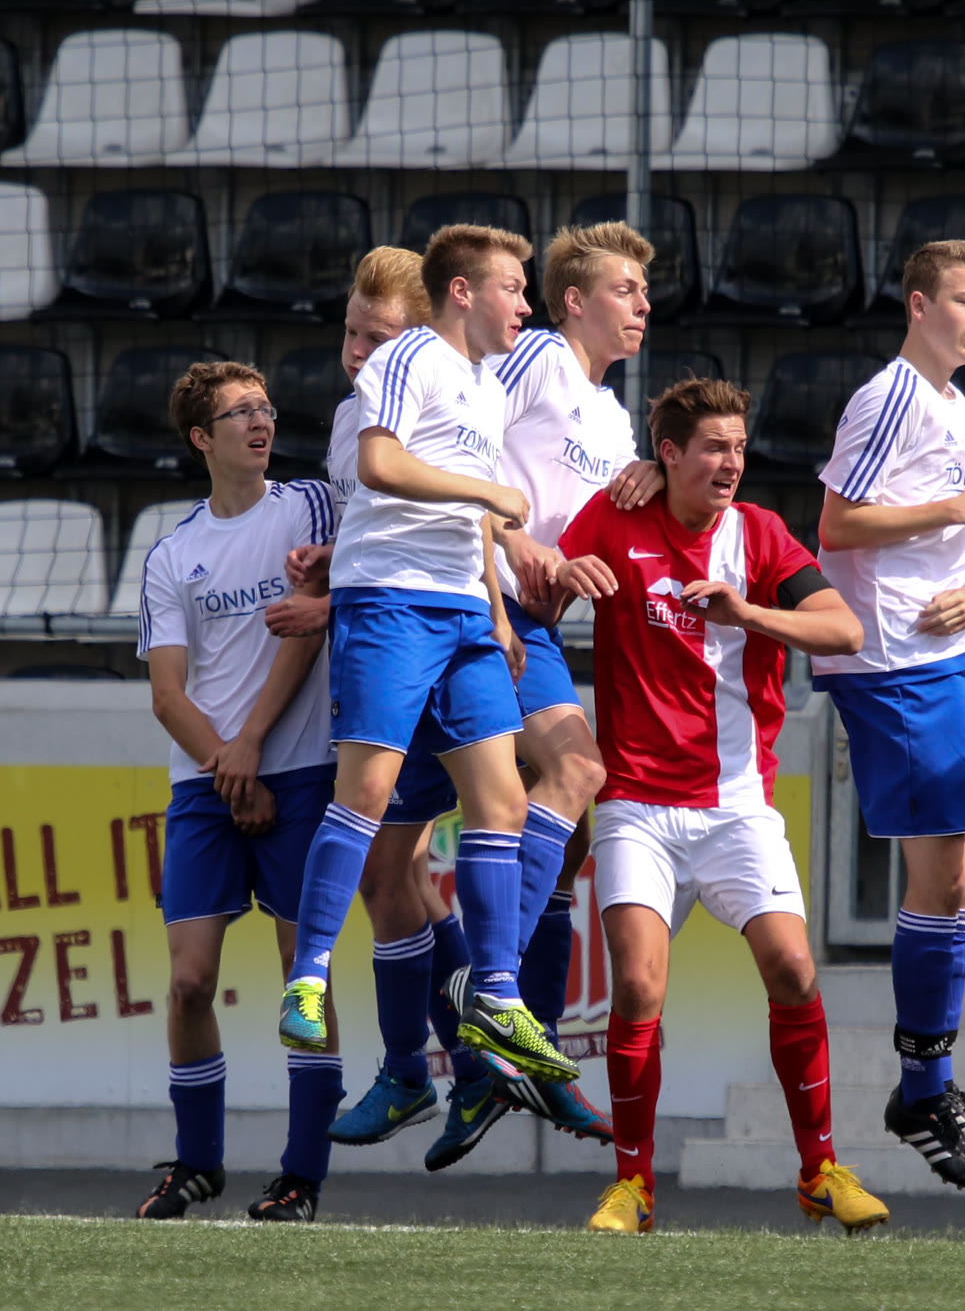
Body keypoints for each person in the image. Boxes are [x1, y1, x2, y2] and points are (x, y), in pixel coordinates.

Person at [542, 377, 889, 1236]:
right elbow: (542, 591)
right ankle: (633, 1186)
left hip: (737, 805)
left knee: (794, 969)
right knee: (636, 984)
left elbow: (845, 630)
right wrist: (559, 571)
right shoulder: (616, 516)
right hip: (637, 804)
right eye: (713, 448)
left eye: (738, 447)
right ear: (669, 455)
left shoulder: (760, 534)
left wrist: (749, 613)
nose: (732, 462)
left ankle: (819, 1171)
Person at [277, 224, 580, 1090]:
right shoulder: (406, 357)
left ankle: (494, 996)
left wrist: (497, 612)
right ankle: (308, 979)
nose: (525, 306)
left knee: (504, 802)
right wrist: (488, 490)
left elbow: (470, 517)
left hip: (463, 614)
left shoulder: (486, 386)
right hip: (391, 603)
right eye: (513, 288)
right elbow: (379, 464)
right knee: (368, 793)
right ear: (462, 292)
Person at [811, 240, 965, 1192]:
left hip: (944, 654)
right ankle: (922, 1090)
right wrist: (951, 511)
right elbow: (837, 524)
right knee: (941, 872)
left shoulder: (961, 411)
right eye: (964, 300)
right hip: (890, 660)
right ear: (919, 305)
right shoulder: (887, 397)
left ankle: (930, 1084)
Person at [135, 361, 344, 1222]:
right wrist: (228, 765)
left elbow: (311, 625)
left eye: (265, 407)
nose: (261, 422)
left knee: (304, 984)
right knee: (189, 982)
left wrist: (252, 748)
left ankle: (301, 1178)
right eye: (239, 413)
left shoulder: (309, 509)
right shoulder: (172, 554)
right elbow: (167, 694)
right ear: (201, 438)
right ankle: (198, 1163)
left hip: (296, 772)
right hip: (207, 785)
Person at [480, 219, 664, 1136]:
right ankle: (490, 1003)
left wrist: (647, 476)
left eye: (645, 292)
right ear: (573, 303)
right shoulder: (537, 359)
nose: (642, 305)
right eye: (625, 290)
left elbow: (601, 516)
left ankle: (524, 1047)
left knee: (572, 823)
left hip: (537, 622)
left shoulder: (614, 416)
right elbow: (456, 453)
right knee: (572, 776)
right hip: (480, 607)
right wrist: (513, 542)